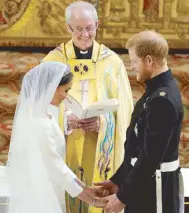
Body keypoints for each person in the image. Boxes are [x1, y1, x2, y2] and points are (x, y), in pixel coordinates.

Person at [42, 1, 133, 212]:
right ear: (68, 28)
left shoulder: (112, 63)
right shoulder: (52, 62)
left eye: (89, 28)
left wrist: (104, 122)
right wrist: (64, 120)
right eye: (79, 29)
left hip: (100, 148)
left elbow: (126, 113)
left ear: (97, 24)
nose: (85, 34)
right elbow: (37, 110)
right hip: (66, 146)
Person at [95, 30, 184, 213]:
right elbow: (137, 146)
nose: (132, 66)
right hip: (146, 185)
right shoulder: (156, 90)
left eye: (134, 61)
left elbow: (150, 157)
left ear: (149, 60)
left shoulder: (162, 99)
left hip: (156, 190)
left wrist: (122, 197)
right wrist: (118, 180)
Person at [6, 62, 107, 213]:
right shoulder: (39, 123)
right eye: (65, 90)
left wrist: (85, 188)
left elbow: (58, 164)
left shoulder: (46, 116)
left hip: (50, 189)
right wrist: (92, 200)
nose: (66, 96)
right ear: (51, 88)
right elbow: (55, 167)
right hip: (40, 196)